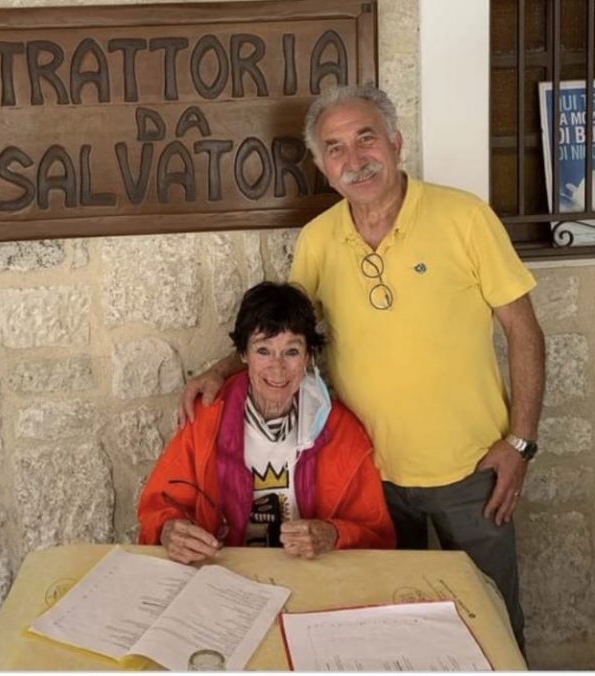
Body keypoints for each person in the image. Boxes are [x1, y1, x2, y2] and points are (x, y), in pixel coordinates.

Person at [178, 85, 545, 650]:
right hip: (367, 481)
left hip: (470, 474)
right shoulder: (319, 239)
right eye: (336, 148)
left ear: (395, 143)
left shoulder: (464, 217)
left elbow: (524, 329)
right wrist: (217, 371)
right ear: (324, 167)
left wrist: (519, 443)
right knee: (393, 631)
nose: (355, 159)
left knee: (490, 626)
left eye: (365, 138)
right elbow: (285, 335)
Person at [138, 281, 395, 564]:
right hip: (223, 575)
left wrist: (334, 534)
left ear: (308, 357)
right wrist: (168, 530)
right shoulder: (205, 419)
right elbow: (160, 507)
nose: (277, 367)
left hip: (310, 578)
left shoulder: (342, 432)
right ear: (243, 355)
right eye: (263, 351)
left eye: (291, 352)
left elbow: (376, 533)